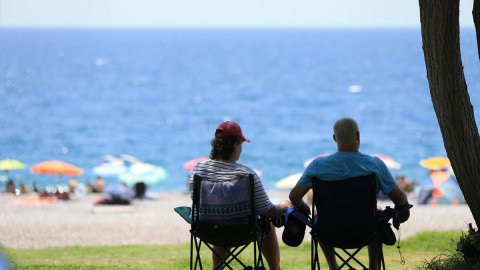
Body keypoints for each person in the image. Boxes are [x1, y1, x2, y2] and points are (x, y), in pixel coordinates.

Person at [289, 118, 411, 270]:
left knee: (318, 219)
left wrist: (304, 208)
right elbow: (400, 200)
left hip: (329, 232)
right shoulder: (375, 165)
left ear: (334, 138)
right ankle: (374, 267)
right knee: (376, 218)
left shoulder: (317, 166)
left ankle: (333, 267)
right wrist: (403, 210)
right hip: (366, 231)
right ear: (358, 136)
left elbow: (294, 197)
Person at [189, 121, 290, 270]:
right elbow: (267, 210)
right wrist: (283, 206)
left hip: (207, 229)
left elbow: (196, 199)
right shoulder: (246, 174)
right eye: (241, 145)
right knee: (268, 224)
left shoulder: (199, 170)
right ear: (235, 146)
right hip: (244, 232)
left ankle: (217, 267)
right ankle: (275, 269)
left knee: (221, 224)